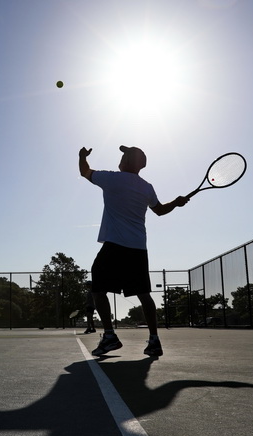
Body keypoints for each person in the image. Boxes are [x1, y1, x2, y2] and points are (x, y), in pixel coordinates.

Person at [79, 145, 189, 357]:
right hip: (138, 249)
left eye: (123, 155)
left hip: (115, 246)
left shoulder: (112, 179)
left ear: (128, 160)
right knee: (144, 294)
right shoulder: (147, 187)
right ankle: (154, 341)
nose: (119, 158)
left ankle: (110, 336)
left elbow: (85, 171)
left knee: (98, 290)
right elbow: (160, 210)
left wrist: (82, 156)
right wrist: (176, 202)